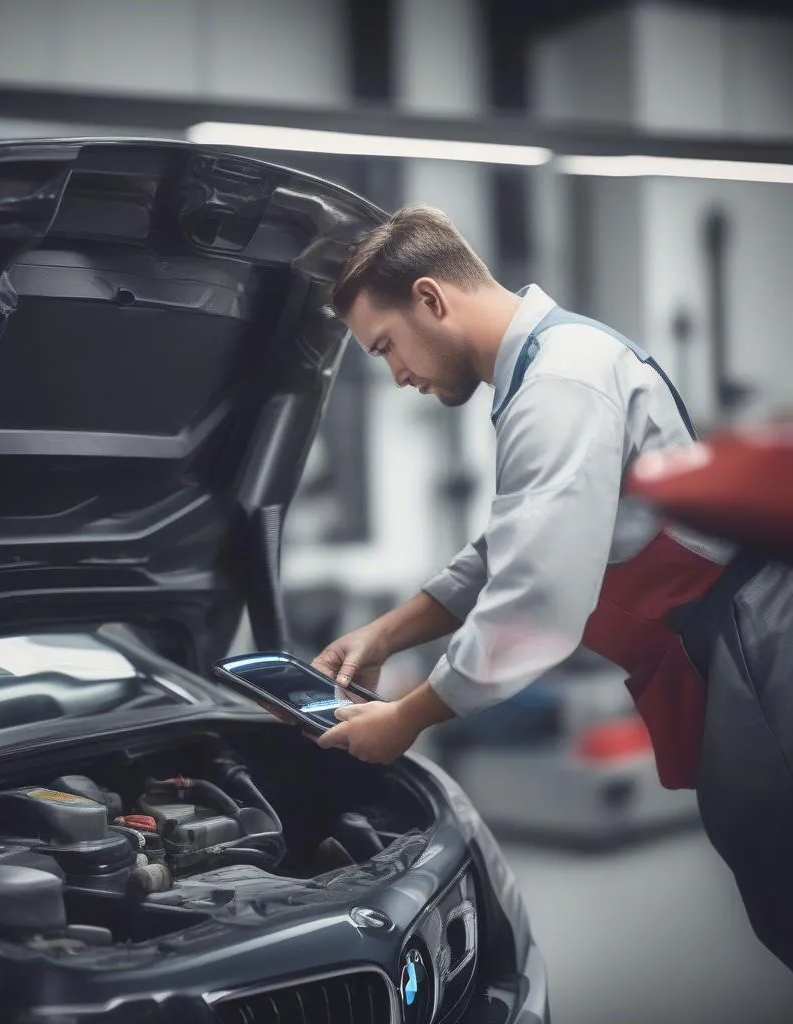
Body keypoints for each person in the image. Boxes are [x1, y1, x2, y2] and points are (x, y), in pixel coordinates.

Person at [311, 204, 793, 970]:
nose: (396, 375)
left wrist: (408, 715)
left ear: (432, 299)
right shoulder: (545, 365)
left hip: (752, 649)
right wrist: (387, 632)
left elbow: (537, 595)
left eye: (386, 347)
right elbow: (512, 542)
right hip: (717, 642)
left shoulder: (559, 383)